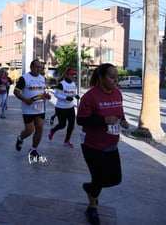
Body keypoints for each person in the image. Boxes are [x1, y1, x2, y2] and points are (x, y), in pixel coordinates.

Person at [76, 63, 129, 225]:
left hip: (112, 144)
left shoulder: (117, 94)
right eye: (112, 77)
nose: (115, 80)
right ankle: (92, 208)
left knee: (115, 178)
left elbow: (120, 113)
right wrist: (103, 120)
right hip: (92, 145)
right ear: (101, 78)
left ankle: (90, 188)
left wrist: (124, 121)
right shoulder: (90, 96)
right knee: (98, 179)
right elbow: (81, 120)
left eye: (116, 77)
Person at [14, 59, 51, 158]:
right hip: (28, 109)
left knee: (40, 128)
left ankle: (33, 150)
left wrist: (46, 96)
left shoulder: (42, 78)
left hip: (40, 108)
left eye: (40, 67)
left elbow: (42, 91)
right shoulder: (24, 78)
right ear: (31, 67)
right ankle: (21, 138)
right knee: (29, 130)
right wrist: (26, 100)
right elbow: (16, 92)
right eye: (36, 67)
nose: (38, 69)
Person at [48, 68, 79, 148]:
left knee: (71, 125)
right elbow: (56, 95)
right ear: (67, 75)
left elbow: (72, 93)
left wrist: (75, 95)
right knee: (62, 125)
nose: (73, 76)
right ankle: (53, 130)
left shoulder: (73, 84)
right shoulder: (61, 84)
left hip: (70, 107)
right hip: (61, 108)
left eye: (73, 75)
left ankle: (67, 140)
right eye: (71, 75)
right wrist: (66, 98)